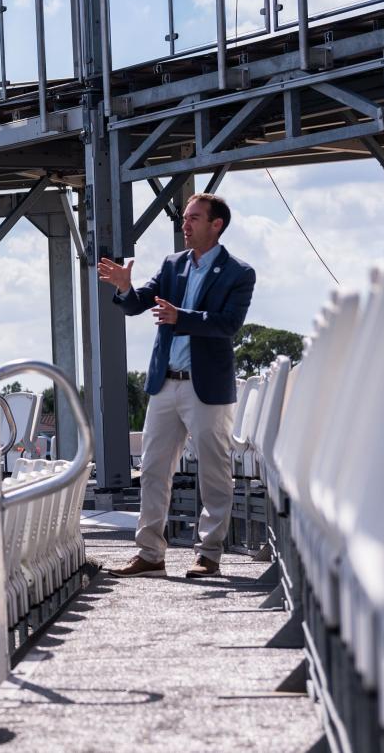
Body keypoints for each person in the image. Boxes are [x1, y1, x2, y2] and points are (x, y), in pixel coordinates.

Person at [96, 192, 255, 578]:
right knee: (152, 469)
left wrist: (180, 317)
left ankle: (209, 553)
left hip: (207, 389)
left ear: (216, 225)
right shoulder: (172, 265)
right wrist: (123, 287)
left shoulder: (239, 273)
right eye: (185, 218)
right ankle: (150, 553)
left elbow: (228, 325)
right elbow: (138, 304)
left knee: (214, 473)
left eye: (193, 219)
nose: (185, 224)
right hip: (165, 384)